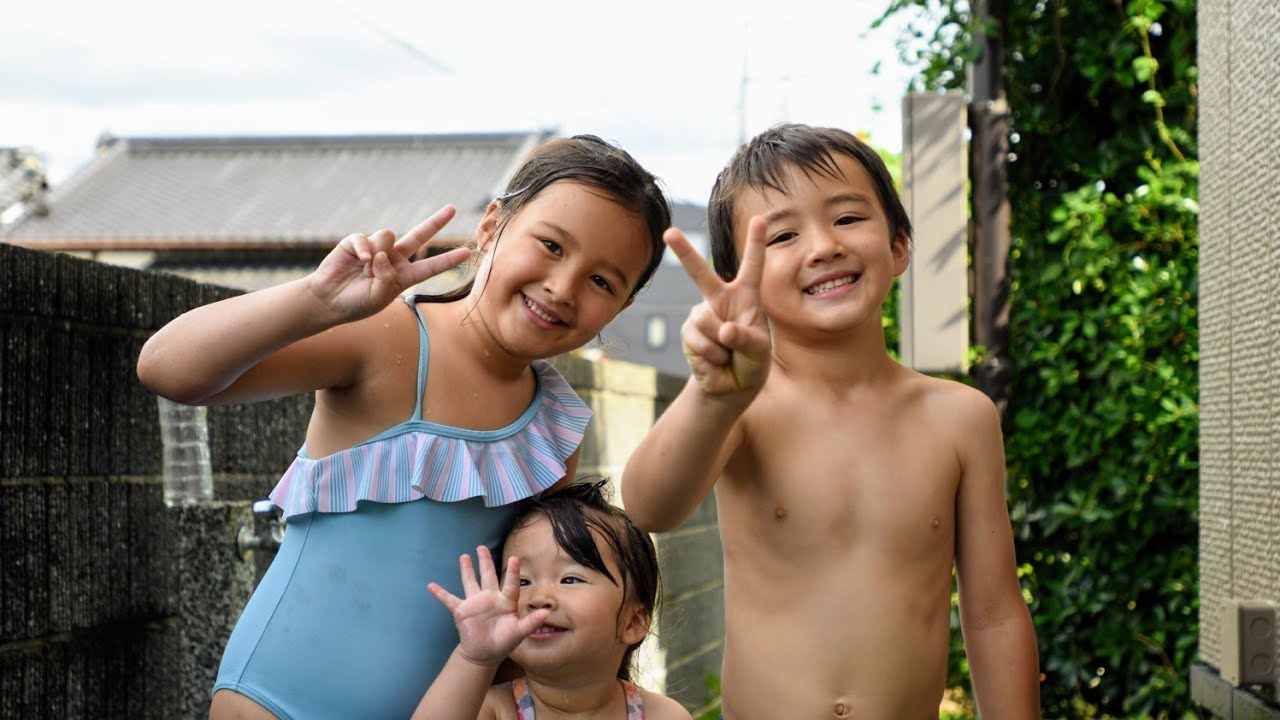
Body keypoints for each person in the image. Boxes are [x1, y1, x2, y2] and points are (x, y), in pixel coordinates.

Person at [136, 135, 672, 719]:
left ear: (621, 307)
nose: (563, 288)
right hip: (275, 700)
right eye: (550, 245)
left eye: (602, 282)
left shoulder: (554, 429)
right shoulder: (387, 337)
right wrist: (315, 302)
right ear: (491, 226)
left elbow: (513, 610)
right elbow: (168, 370)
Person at [620, 123, 1040, 719]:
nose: (822, 247)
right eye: (783, 235)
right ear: (742, 281)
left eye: (847, 218)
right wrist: (712, 396)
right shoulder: (741, 406)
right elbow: (648, 507)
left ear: (899, 245)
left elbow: (994, 614)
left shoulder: (960, 417)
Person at [413, 480, 692, 719]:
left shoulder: (663, 715)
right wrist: (475, 659)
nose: (538, 598)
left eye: (570, 579)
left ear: (633, 622)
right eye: (522, 582)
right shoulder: (494, 711)